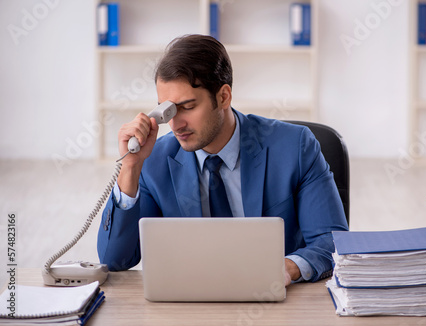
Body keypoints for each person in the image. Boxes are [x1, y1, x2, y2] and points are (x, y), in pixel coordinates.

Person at [97, 34, 348, 286]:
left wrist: (286, 268)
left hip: (273, 301)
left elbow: (332, 241)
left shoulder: (295, 146)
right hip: (191, 302)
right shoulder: (154, 161)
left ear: (223, 97)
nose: (175, 124)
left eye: (187, 106)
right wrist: (130, 167)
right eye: (167, 109)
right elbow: (116, 260)